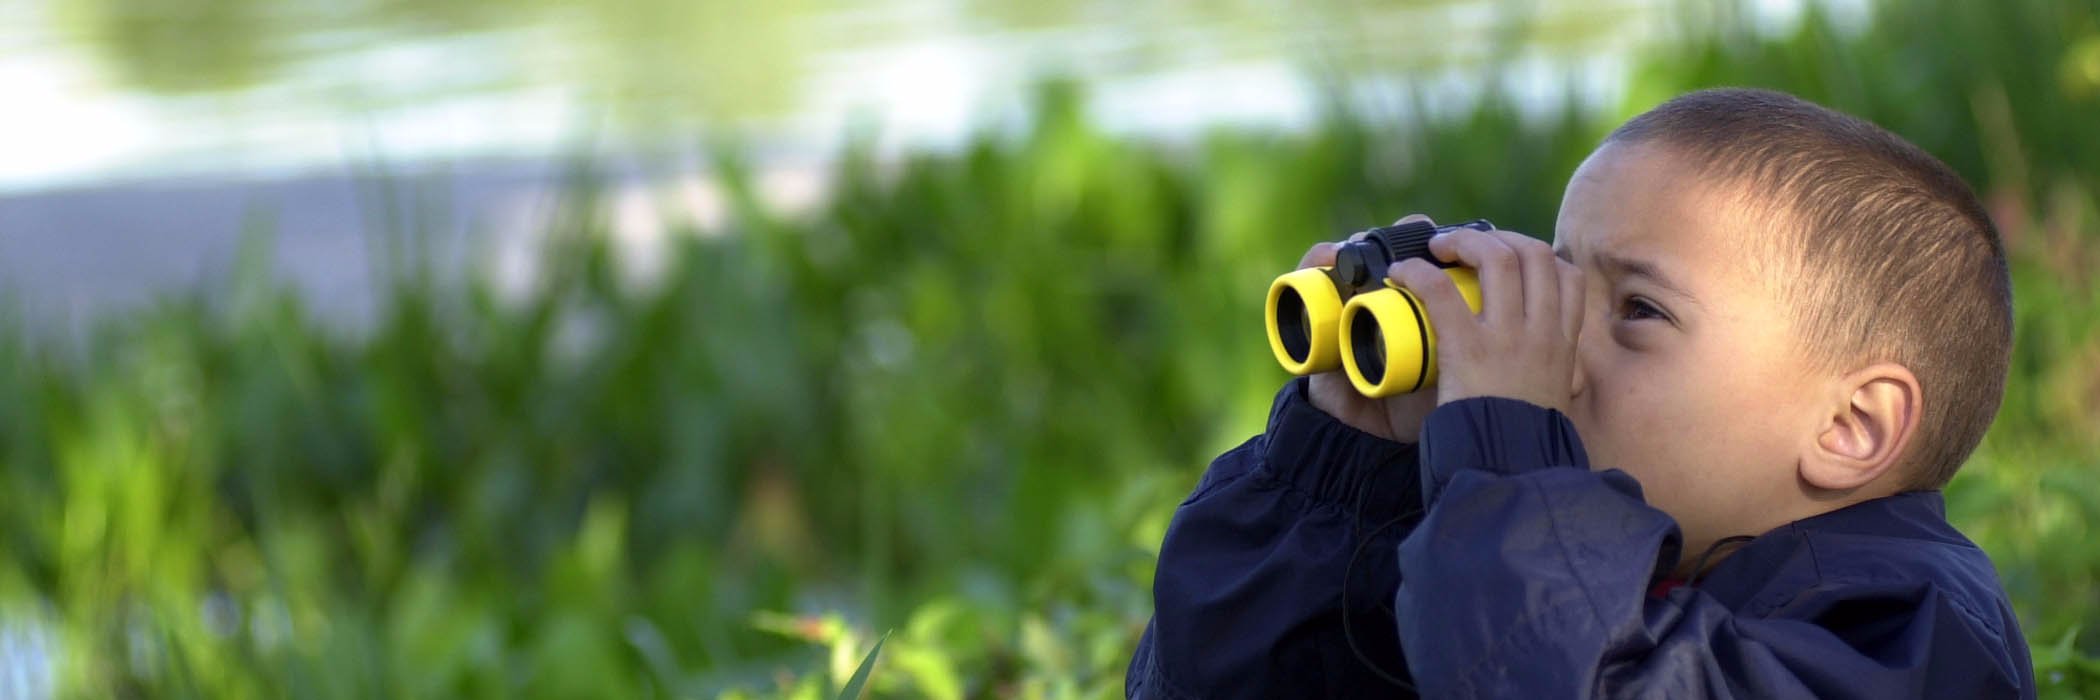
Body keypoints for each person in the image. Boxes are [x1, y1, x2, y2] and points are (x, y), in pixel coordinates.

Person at [1125, 87, 2035, 698]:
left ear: (1850, 426)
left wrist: (1511, 463)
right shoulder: (1548, 568)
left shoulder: (1914, 634)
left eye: (1636, 309)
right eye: (1557, 282)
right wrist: (1348, 482)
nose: (1556, 343)